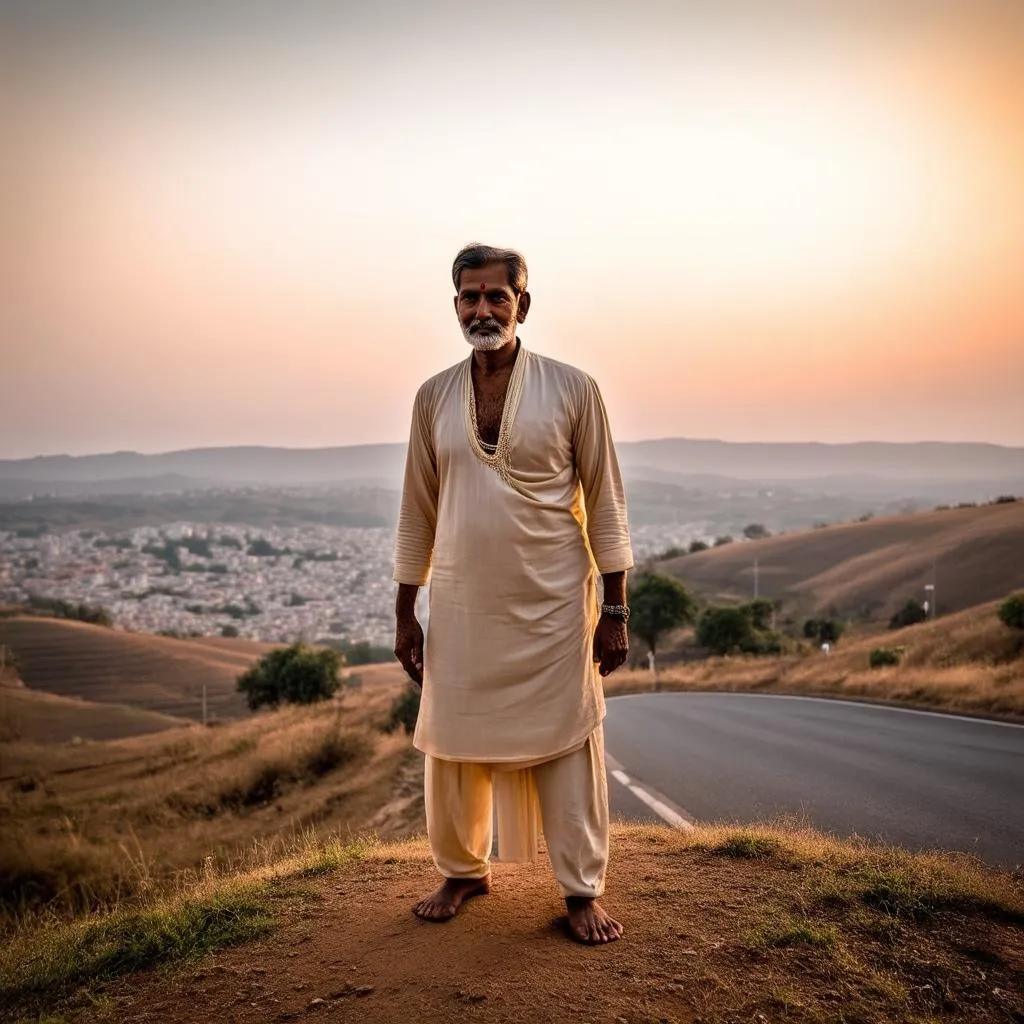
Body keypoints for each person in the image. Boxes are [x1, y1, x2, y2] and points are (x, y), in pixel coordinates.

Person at [392, 243, 634, 945]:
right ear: (455, 304)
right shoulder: (431, 397)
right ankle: (463, 869)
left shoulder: (573, 388)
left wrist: (614, 611)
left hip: (556, 602)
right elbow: (418, 509)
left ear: (522, 305)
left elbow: (606, 503)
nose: (483, 309)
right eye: (470, 297)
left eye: (497, 296)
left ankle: (580, 889)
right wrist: (407, 612)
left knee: (566, 740)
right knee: (454, 738)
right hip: (463, 605)